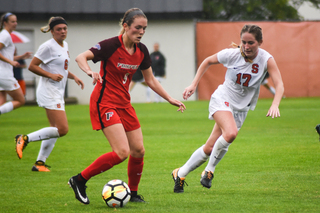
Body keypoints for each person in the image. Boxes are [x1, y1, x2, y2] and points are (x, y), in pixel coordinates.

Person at [68, 8, 186, 205]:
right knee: (122, 152)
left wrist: (169, 98)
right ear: (125, 26)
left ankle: (132, 193)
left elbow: (150, 80)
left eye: (144, 29)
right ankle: (79, 180)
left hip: (124, 104)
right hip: (104, 103)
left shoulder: (142, 50)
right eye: (137, 28)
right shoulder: (110, 45)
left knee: (138, 150)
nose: (141, 32)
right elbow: (81, 57)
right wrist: (90, 72)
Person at [171, 24, 284, 193]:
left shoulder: (266, 59)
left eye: (251, 43)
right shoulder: (232, 54)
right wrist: (193, 84)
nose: (246, 46)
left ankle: (180, 173)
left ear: (260, 42)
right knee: (230, 133)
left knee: (210, 148)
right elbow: (207, 61)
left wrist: (275, 103)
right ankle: (209, 171)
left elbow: (279, 84)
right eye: (244, 42)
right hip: (222, 99)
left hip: (241, 109)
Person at [14, 16, 84, 172]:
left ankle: (39, 163)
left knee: (54, 129)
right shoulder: (47, 46)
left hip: (56, 92)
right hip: (49, 91)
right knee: (62, 129)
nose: (63, 31)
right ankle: (24, 139)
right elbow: (32, 66)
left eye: (65, 28)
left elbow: (62, 68)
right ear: (52, 32)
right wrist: (50, 75)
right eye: (59, 29)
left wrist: (74, 77)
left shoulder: (64, 45)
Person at [0, 12, 31, 114]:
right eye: (12, 21)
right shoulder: (5, 35)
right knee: (21, 100)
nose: (15, 23)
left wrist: (21, 57)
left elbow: (6, 56)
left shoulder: (5, 35)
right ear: (5, 23)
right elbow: (7, 58)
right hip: (4, 74)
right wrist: (11, 62)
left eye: (16, 21)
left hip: (2, 73)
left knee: (2, 100)